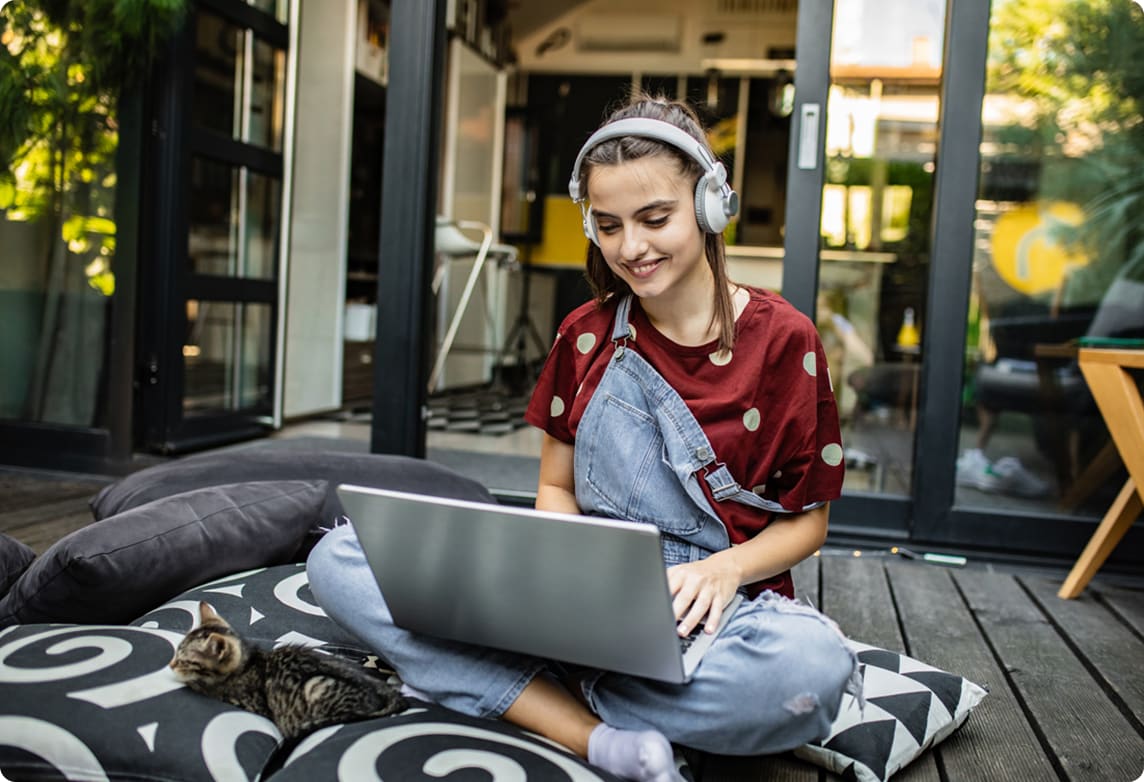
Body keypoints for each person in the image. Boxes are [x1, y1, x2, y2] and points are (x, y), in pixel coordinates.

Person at [306, 95, 859, 782]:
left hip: (717, 609)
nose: (632, 247)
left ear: (712, 204)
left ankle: (519, 689)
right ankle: (590, 729)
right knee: (339, 558)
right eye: (608, 225)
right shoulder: (585, 334)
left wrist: (722, 570)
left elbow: (808, 525)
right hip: (582, 585)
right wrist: (564, 580)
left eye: (656, 218)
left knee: (809, 674)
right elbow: (555, 487)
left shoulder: (786, 340)